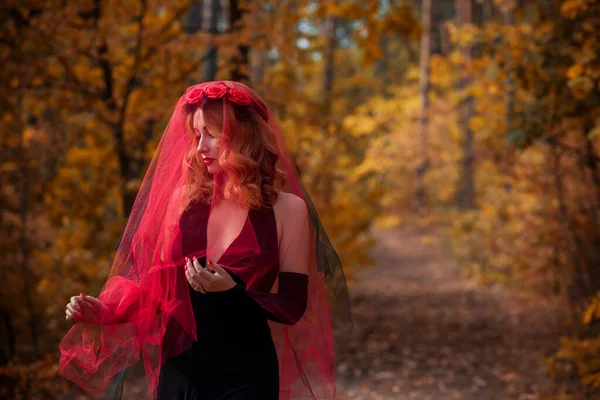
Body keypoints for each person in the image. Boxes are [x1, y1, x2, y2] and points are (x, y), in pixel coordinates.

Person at [59, 81, 351, 400]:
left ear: (245, 136)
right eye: (197, 135)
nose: (200, 147)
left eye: (212, 134)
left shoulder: (287, 210)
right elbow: (158, 289)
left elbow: (292, 307)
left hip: (247, 374)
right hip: (179, 372)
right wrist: (105, 311)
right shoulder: (181, 201)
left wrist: (234, 292)